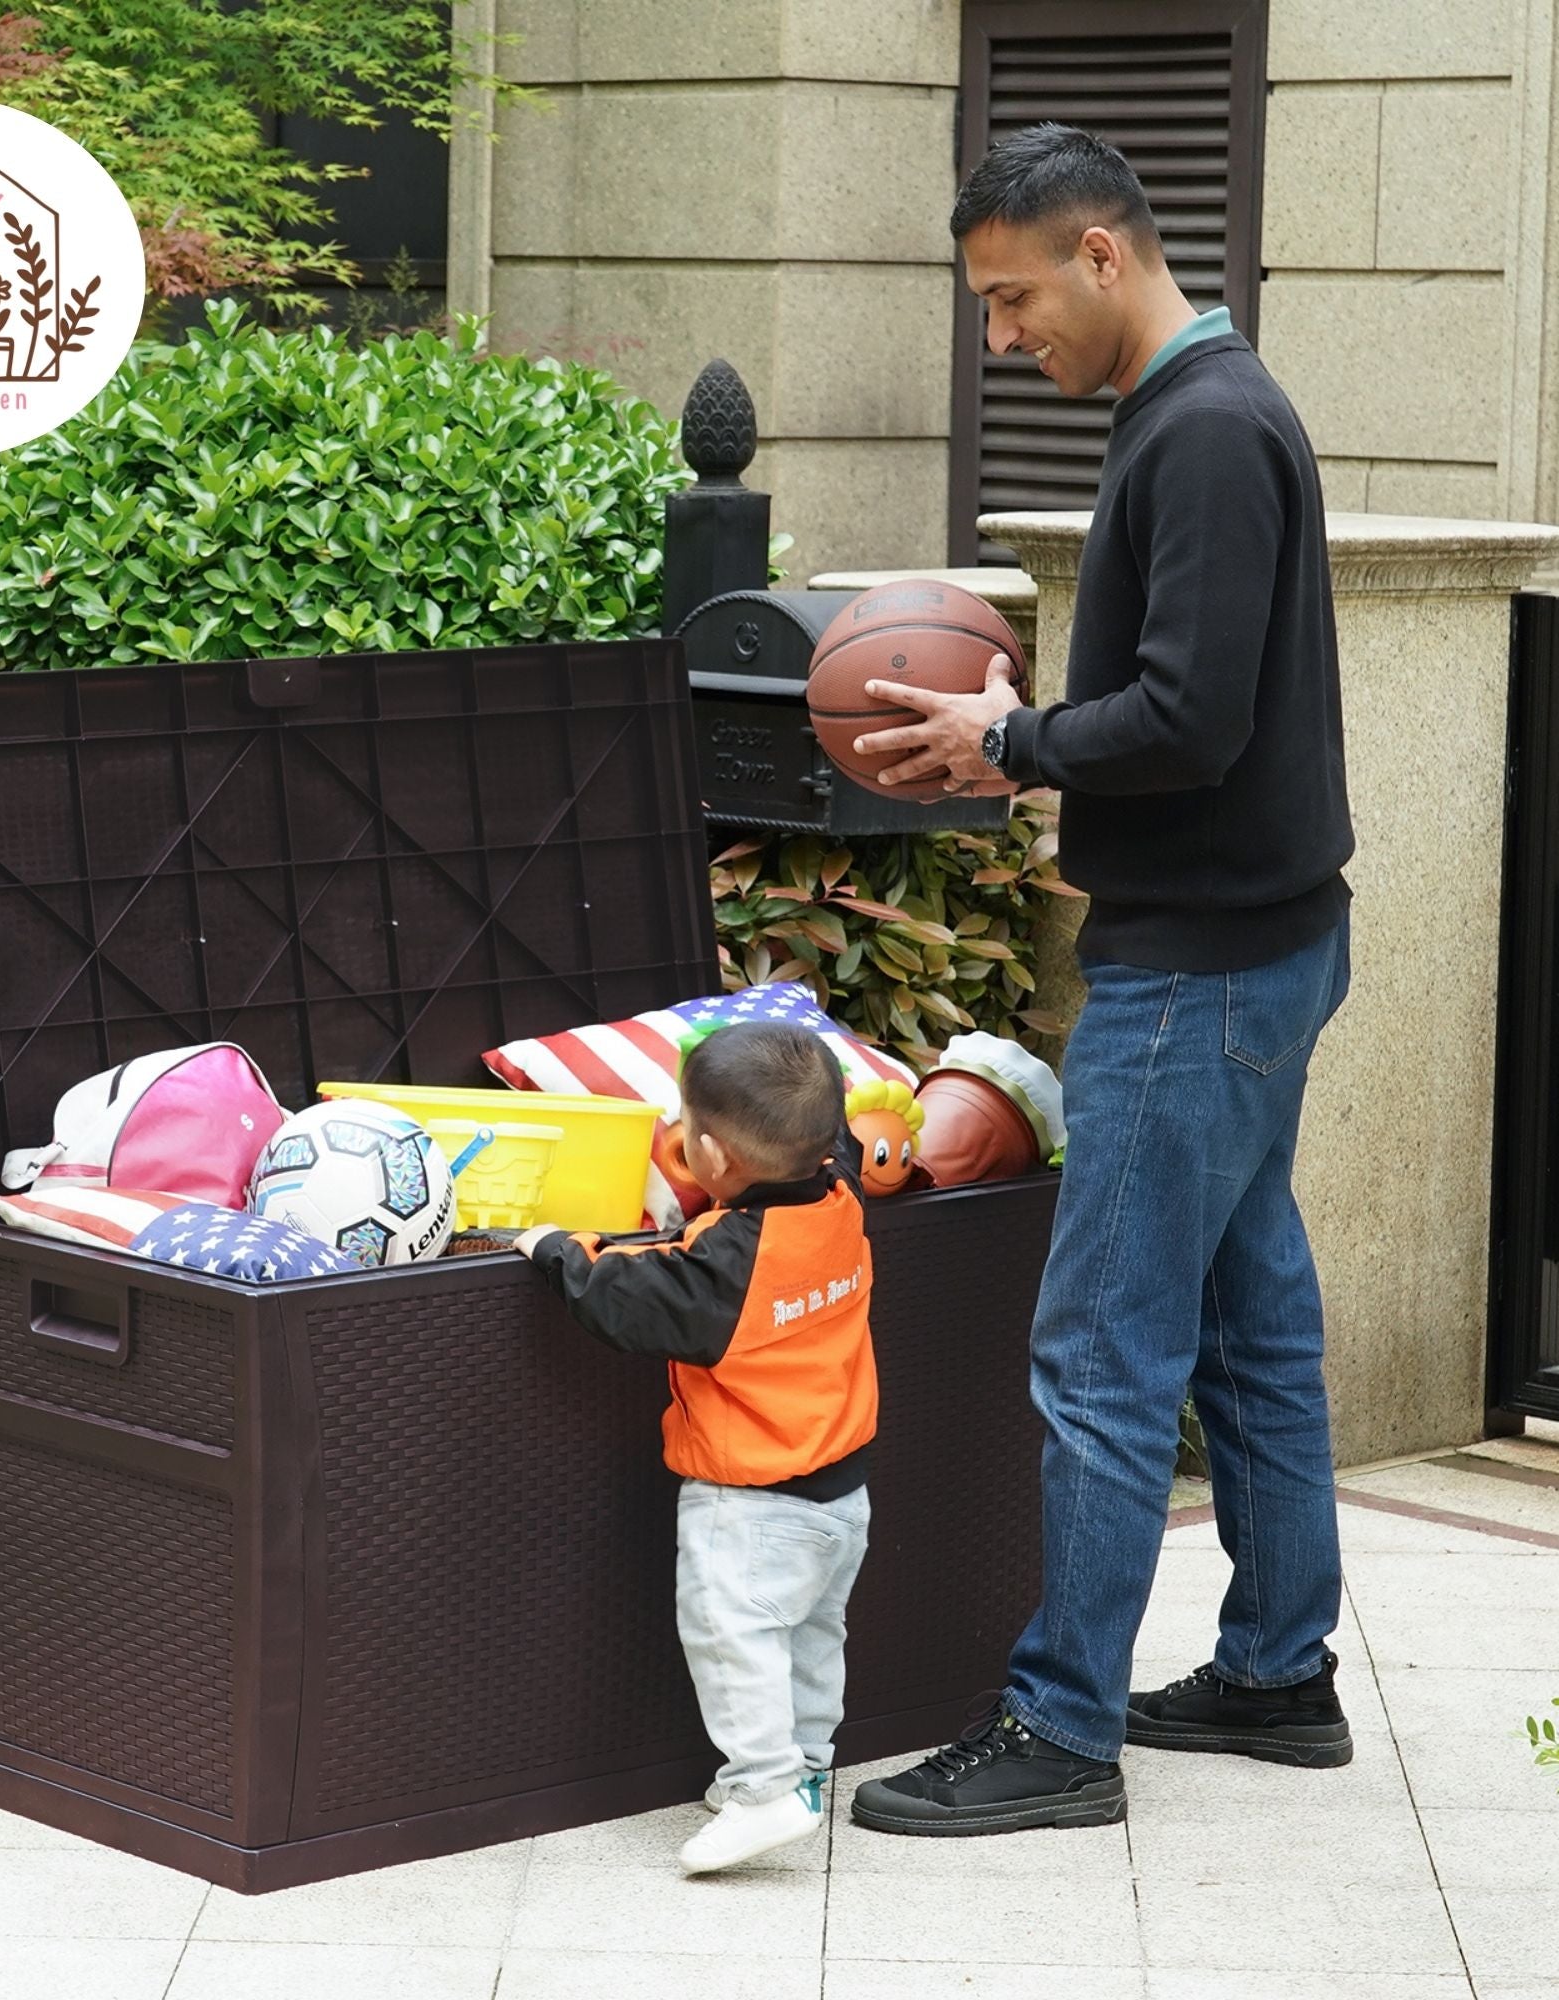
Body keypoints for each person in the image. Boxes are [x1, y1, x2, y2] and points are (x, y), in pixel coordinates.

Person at [844, 122, 1357, 1838]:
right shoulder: (1208, 412)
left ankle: (1060, 1729)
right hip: (1264, 946)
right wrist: (1027, 751)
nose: (1005, 339)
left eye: (1014, 299)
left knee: (1104, 1349)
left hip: (1198, 975)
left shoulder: (1203, 432)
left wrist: (1015, 737)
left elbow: (1191, 720)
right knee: (1249, 1321)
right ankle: (1280, 1672)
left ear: (1105, 258)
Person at [514, 1021, 877, 1872]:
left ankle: (763, 1790)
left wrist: (554, 1248)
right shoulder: (842, 1196)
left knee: (732, 1637)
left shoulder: (725, 1267)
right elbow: (846, 1136)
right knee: (810, 1636)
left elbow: (622, 1298)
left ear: (708, 1155)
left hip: (749, 1501)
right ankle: (809, 1769)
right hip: (842, 1491)